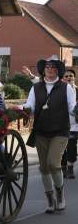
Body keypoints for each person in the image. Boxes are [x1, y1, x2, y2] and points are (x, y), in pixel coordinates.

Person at [20, 56, 76, 213]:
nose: (50, 71)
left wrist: (76, 111)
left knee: (53, 163)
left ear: (57, 71)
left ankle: (60, 194)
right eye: (47, 68)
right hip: (41, 131)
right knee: (44, 168)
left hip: (60, 131)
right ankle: (50, 199)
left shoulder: (67, 88)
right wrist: (24, 109)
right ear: (43, 70)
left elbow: (72, 107)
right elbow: (30, 104)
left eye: (53, 68)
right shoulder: (36, 88)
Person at [61, 69, 78, 179]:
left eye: (71, 76)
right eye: (66, 76)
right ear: (63, 79)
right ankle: (63, 168)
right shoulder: (59, 90)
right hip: (61, 124)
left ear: (74, 78)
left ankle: (70, 167)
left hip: (75, 125)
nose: (69, 77)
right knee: (61, 147)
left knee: (71, 146)